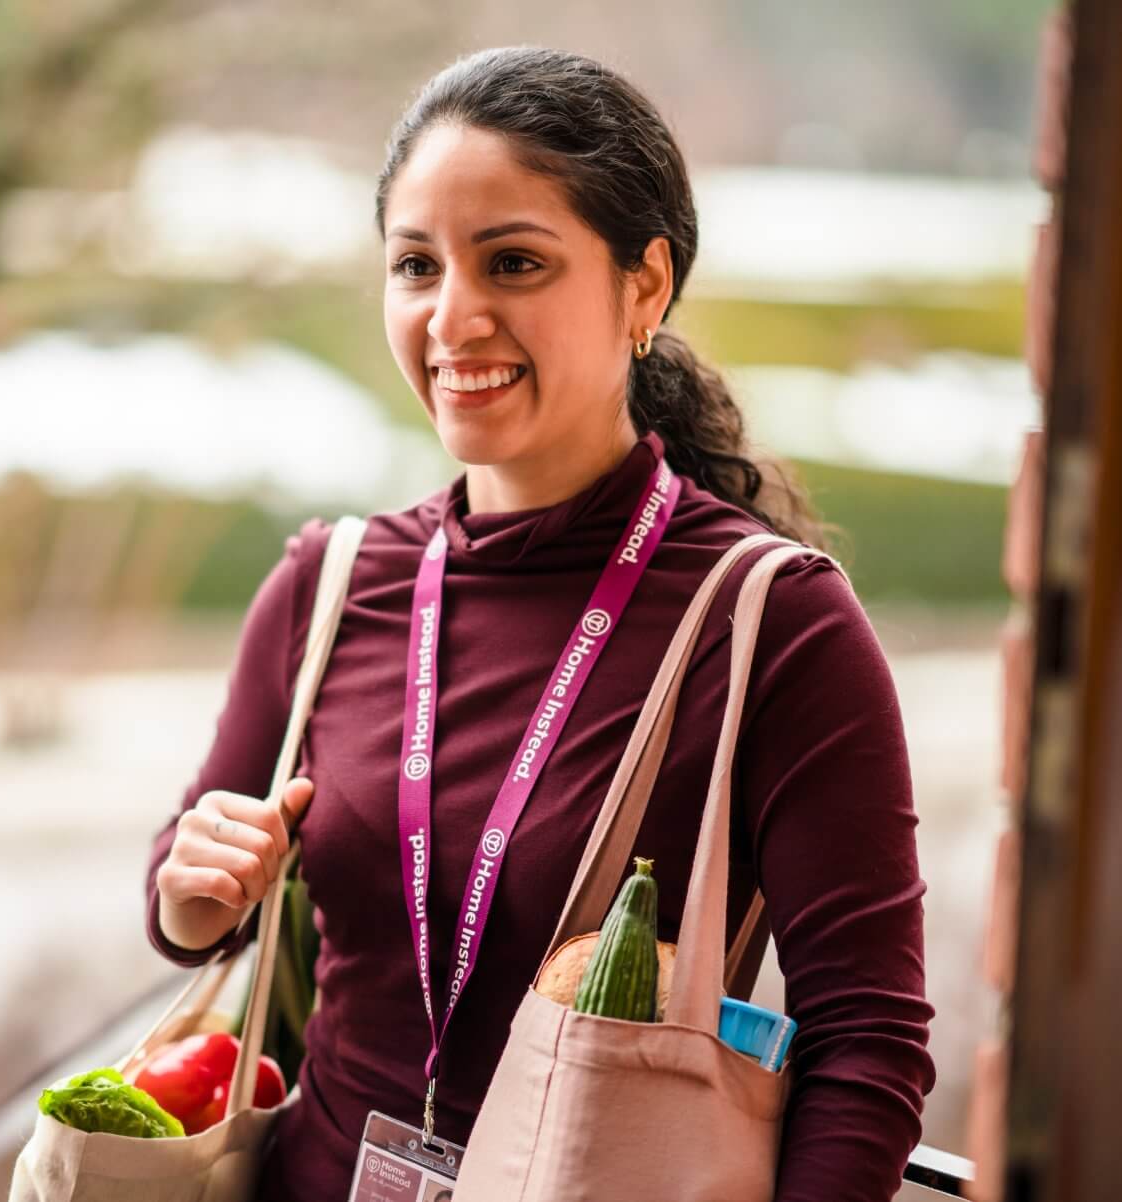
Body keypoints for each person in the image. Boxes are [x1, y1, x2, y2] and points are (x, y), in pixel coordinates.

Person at [146, 45, 935, 1202]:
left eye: (512, 262)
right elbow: (185, 907)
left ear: (643, 287)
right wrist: (193, 887)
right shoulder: (330, 583)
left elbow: (866, 1041)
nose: (452, 317)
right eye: (416, 264)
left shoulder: (772, 622)